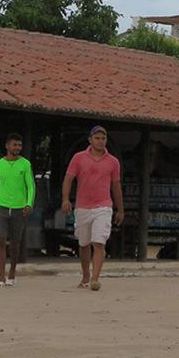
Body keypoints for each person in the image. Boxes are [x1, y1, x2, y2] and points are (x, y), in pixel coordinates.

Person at [59, 125, 123, 291]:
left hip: (103, 205)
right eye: (97, 138)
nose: (101, 141)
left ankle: (95, 278)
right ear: (90, 139)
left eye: (103, 138)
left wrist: (120, 209)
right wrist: (65, 199)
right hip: (82, 207)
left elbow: (116, 186)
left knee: (99, 241)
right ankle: (86, 274)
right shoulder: (78, 158)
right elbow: (68, 179)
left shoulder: (113, 162)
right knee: (84, 243)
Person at [0, 132, 35, 287]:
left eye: (19, 145)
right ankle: (1, 277)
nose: (17, 148)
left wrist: (29, 204)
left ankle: (12, 272)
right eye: (14, 144)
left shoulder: (25, 164)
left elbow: (31, 186)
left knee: (15, 243)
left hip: (19, 208)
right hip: (1, 207)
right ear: (7, 146)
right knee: (0, 240)